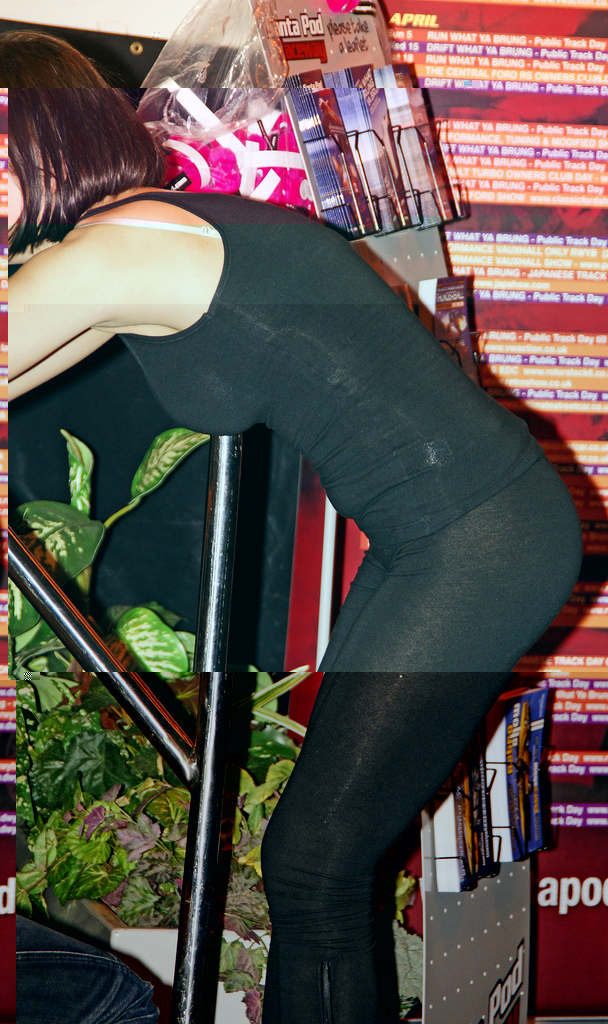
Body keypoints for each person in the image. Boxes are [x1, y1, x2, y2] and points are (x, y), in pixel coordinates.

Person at [9, 88, 581, 1022]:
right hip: (444, 533)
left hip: (477, 537)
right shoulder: (143, 239)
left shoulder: (116, 253)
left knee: (315, 866)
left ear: (54, 144)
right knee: (318, 866)